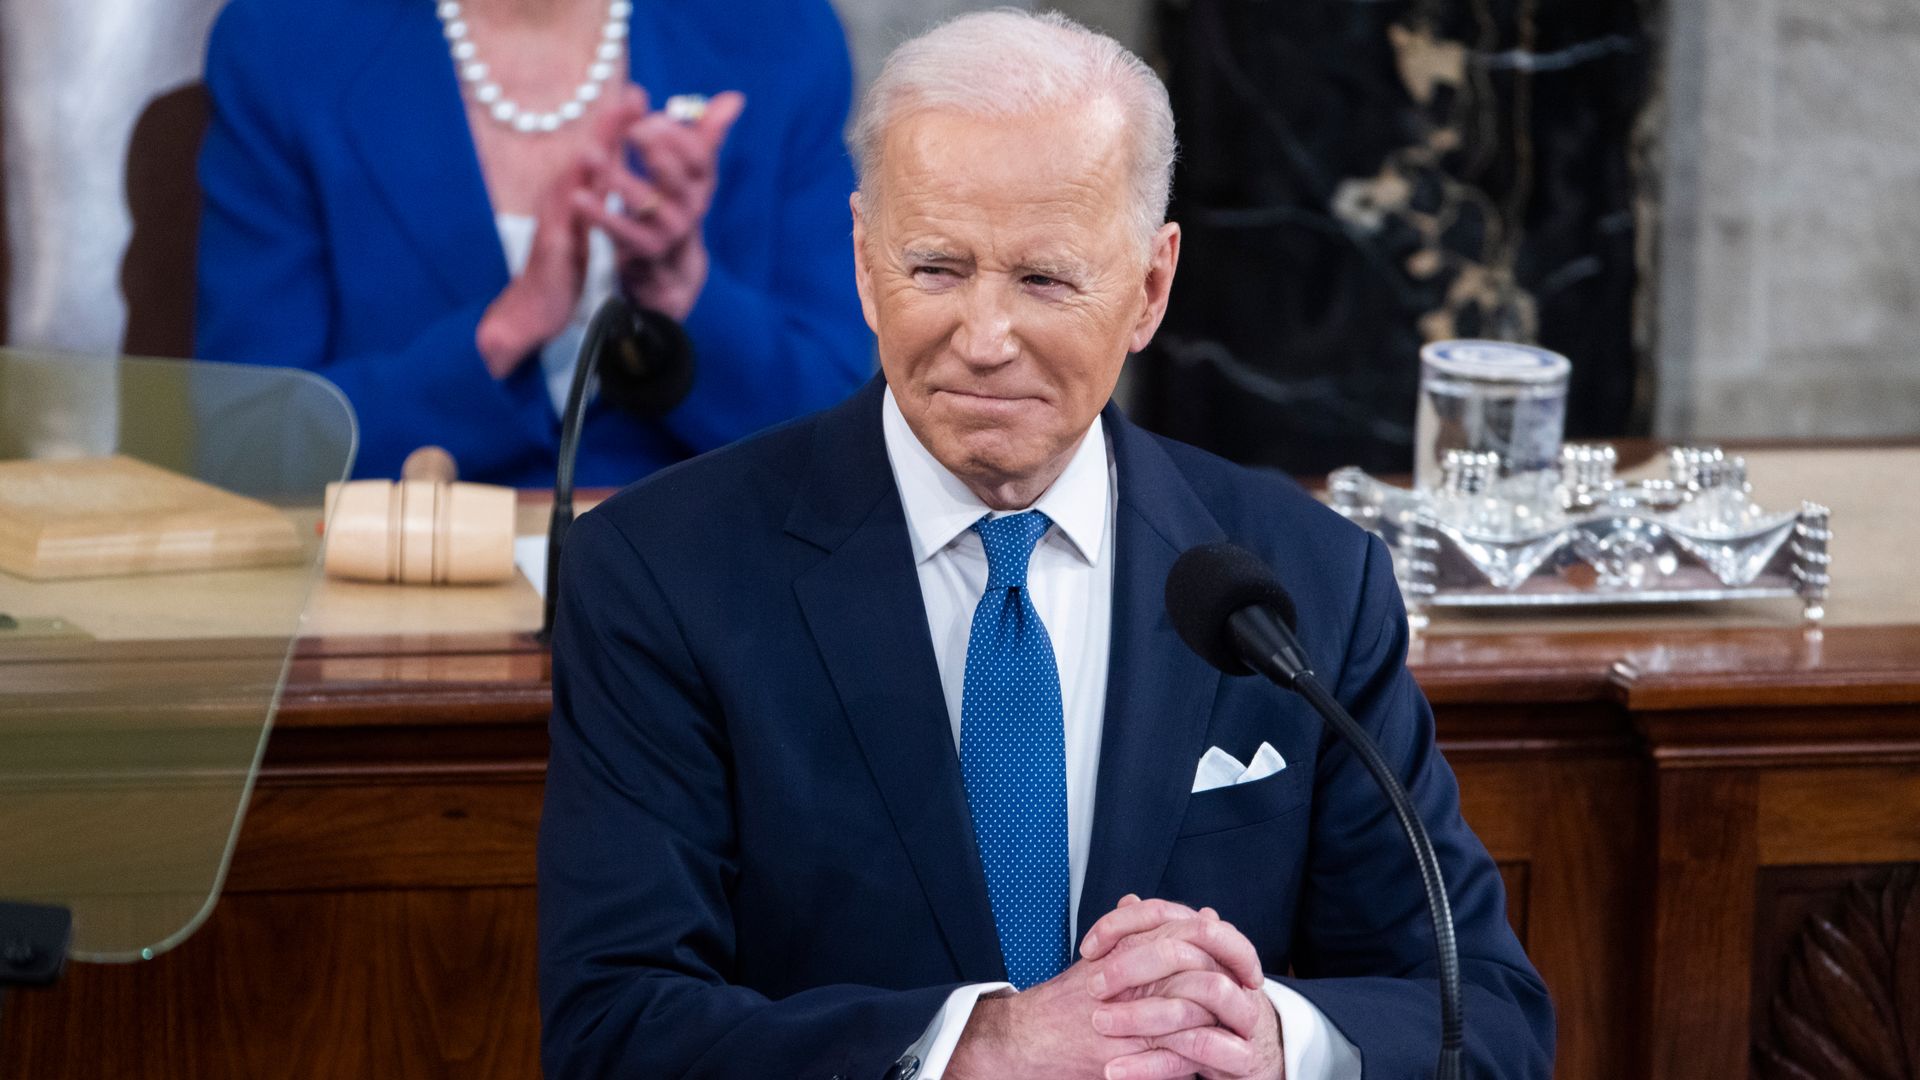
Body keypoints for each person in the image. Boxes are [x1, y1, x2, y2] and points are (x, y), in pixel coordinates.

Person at [540, 11, 1554, 1079]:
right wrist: (976, 1049)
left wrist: (1276, 1039)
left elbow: (1487, 1018)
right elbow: (614, 1031)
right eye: (935, 268)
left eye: (1044, 280)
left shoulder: (1306, 583)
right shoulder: (660, 575)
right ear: (862, 261)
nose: (983, 339)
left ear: (1150, 288)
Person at [195, 0, 870, 486]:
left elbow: (842, 433)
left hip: (707, 612)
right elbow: (246, 448)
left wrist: (682, 292)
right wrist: (504, 331)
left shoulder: (779, 32)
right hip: (395, 606)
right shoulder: (283, 40)